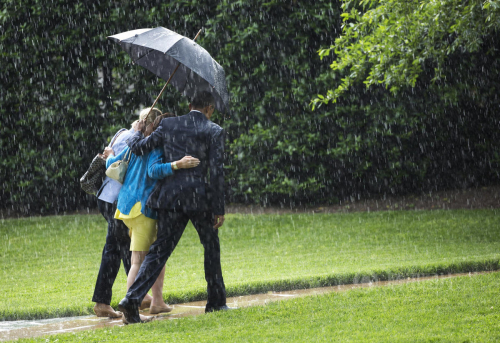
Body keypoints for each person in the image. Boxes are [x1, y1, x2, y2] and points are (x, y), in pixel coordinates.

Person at [118, 91, 229, 324]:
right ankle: (216, 302)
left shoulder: (168, 124)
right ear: (210, 109)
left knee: (159, 251)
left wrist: (136, 131)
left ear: (189, 105)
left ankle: (131, 299)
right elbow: (217, 173)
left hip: (170, 199)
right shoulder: (214, 131)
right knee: (211, 248)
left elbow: (140, 148)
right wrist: (219, 208)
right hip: (199, 199)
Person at [106, 111, 201, 322]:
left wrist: (109, 154)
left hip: (126, 206)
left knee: (155, 256)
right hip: (142, 208)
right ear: (154, 125)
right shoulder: (153, 146)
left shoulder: (133, 143)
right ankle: (131, 310)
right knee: (138, 261)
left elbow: (111, 165)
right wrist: (178, 164)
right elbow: (154, 171)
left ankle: (157, 302)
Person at [91, 109, 151, 318]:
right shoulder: (133, 139)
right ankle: (119, 301)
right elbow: (116, 166)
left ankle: (126, 297)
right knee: (121, 249)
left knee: (120, 247)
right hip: (117, 200)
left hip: (105, 197)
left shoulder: (121, 133)